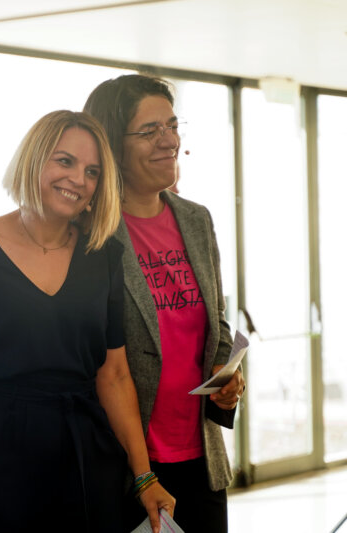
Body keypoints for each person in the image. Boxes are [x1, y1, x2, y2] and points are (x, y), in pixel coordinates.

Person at [0, 110, 174, 533]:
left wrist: (143, 475)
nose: (79, 179)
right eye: (65, 161)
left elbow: (113, 375)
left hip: (83, 453)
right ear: (33, 161)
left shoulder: (105, 257)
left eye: (92, 171)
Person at [84, 74, 245, 533]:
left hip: (202, 459)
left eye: (172, 126)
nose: (168, 140)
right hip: (128, 467)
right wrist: (141, 472)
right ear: (113, 145)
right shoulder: (91, 234)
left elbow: (212, 324)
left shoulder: (196, 219)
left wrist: (227, 381)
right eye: (150, 131)